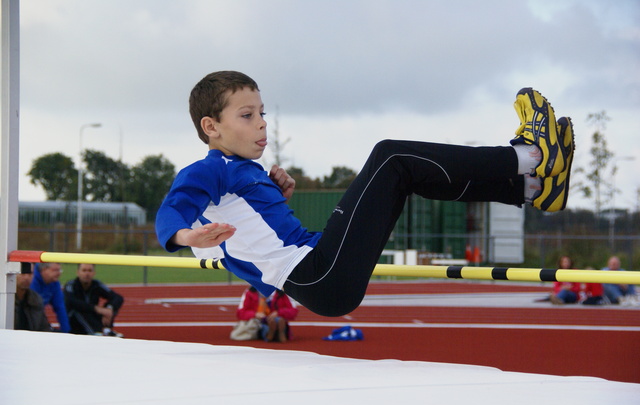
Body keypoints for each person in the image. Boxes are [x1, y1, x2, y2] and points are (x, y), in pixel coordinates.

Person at [156, 71, 574, 317]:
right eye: (247, 116)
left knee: (405, 175)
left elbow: (252, 238)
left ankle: (531, 188)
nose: (262, 123)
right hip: (316, 273)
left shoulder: (243, 173)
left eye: (262, 113)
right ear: (211, 127)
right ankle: (529, 154)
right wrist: (185, 236)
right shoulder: (210, 169)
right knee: (391, 157)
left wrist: (276, 196)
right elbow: (173, 209)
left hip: (320, 272)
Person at [64, 263, 125, 336]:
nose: (87, 274)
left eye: (90, 271)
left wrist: (109, 308)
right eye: (84, 270)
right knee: (78, 310)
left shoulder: (96, 284)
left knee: (110, 307)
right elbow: (71, 301)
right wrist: (96, 308)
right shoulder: (71, 285)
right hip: (75, 322)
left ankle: (106, 329)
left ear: (94, 273)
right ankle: (97, 332)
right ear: (78, 272)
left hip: (93, 317)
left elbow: (117, 297)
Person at [30, 262, 70, 332]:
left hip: (39, 318)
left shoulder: (54, 284)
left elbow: (60, 308)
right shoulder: (32, 281)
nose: (59, 273)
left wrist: (66, 332)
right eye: (55, 270)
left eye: (59, 270)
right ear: (44, 270)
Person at [14, 263, 52, 331]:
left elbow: (44, 327)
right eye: (22, 273)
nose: (26, 277)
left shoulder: (36, 299)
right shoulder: (4, 300)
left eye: (30, 274)